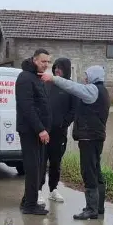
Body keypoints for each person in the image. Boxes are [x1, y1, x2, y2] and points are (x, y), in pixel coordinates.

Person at [41, 65, 109, 220]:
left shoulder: (93, 90)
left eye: (87, 75)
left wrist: (53, 79)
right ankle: (98, 207)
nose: (85, 78)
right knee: (96, 171)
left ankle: (91, 209)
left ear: (94, 76)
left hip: (89, 138)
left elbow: (72, 87)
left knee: (88, 172)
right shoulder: (102, 90)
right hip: (96, 137)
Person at [14, 48, 52, 215]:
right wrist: (40, 129)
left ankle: (28, 200)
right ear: (35, 60)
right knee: (33, 168)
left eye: (48, 62)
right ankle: (30, 205)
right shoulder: (25, 78)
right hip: (30, 131)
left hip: (39, 131)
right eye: (43, 61)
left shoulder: (36, 77)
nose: (46, 64)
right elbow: (27, 107)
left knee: (38, 167)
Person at [38, 57, 75, 205]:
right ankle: (38, 190)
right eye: (56, 67)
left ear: (66, 69)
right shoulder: (46, 83)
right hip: (44, 131)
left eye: (60, 67)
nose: (57, 70)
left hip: (59, 133)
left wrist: (63, 123)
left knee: (56, 162)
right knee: (41, 161)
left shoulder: (70, 87)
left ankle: (53, 189)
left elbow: (74, 110)